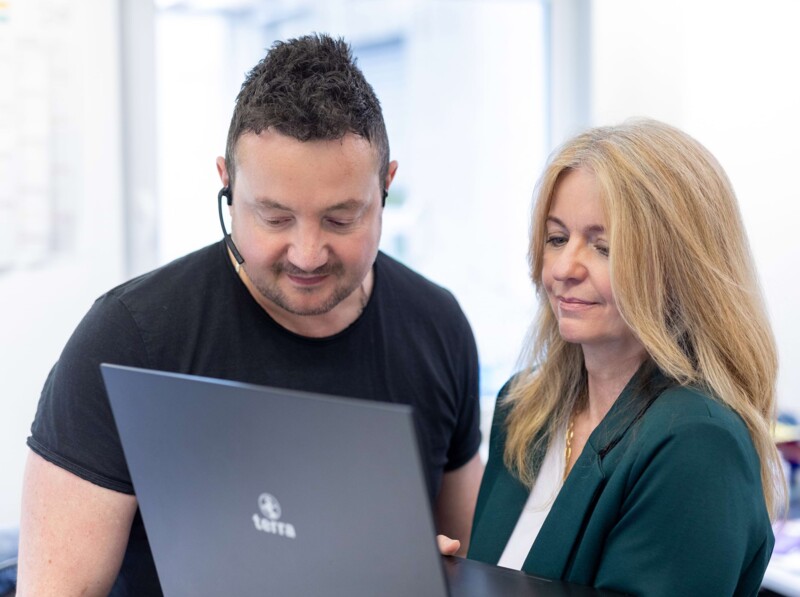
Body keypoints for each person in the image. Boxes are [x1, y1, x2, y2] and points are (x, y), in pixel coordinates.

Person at [18, 34, 483, 596]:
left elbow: (465, 566)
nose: (307, 254)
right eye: (274, 218)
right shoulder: (129, 339)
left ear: (386, 187)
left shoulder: (437, 327)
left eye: (341, 219)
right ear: (227, 186)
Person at [439, 119, 783, 596]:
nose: (563, 269)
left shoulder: (696, 443)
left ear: (677, 266)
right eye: (557, 238)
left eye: (604, 247)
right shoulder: (523, 408)